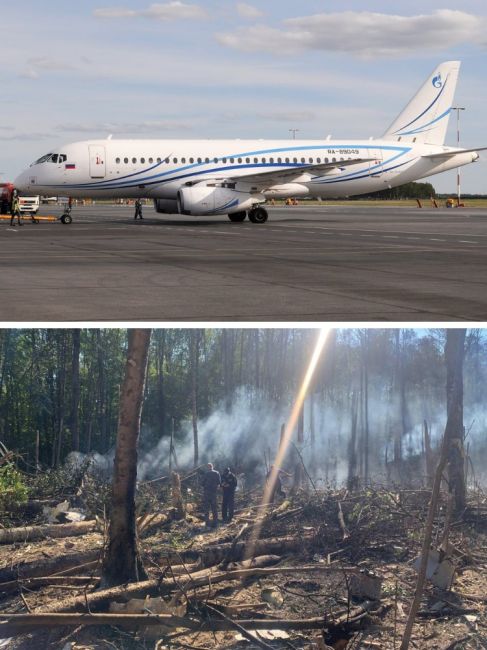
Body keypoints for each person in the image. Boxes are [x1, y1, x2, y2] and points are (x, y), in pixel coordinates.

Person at [202, 462, 221, 527]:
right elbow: (219, 482)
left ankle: (207, 523)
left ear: (208, 467)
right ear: (212, 467)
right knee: (214, 508)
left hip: (207, 493)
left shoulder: (206, 474)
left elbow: (202, 483)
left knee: (206, 508)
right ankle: (215, 523)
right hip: (214, 493)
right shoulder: (217, 473)